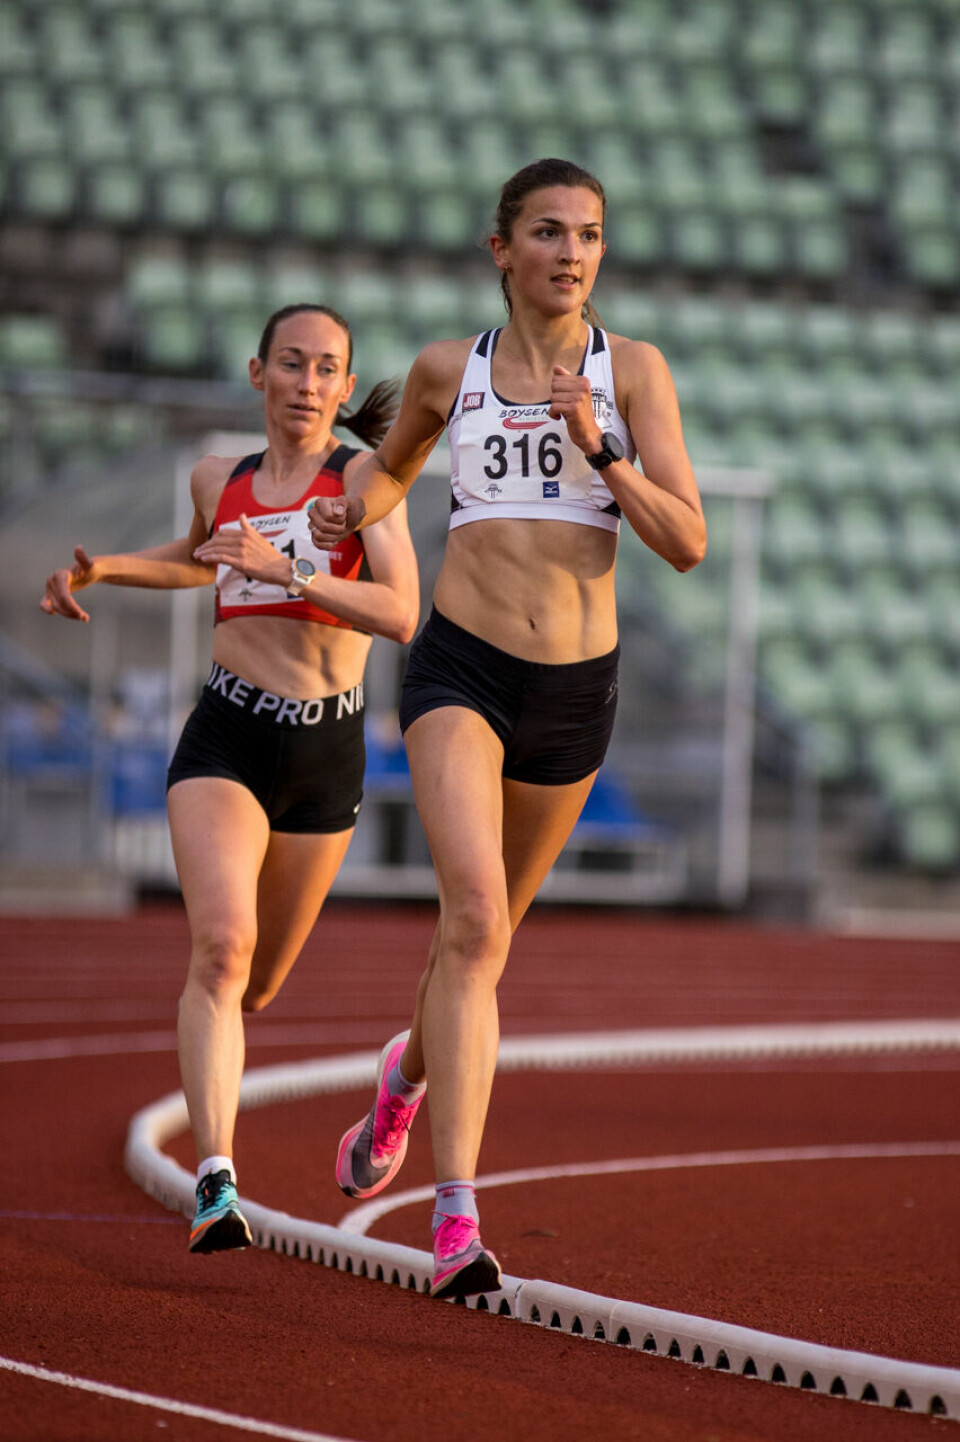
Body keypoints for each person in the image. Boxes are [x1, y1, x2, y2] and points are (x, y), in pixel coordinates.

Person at [309, 158, 706, 1299]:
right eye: (547, 231)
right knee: (473, 917)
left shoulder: (633, 373)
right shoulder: (450, 369)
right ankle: (453, 1214)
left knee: (480, 945)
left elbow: (686, 541)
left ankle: (403, 1073)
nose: (571, 252)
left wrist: (604, 448)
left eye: (589, 234)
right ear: (502, 250)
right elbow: (388, 478)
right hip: (462, 668)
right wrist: (353, 505)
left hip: (576, 692)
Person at [41, 304, 420, 1254]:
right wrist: (106, 571)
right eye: (290, 364)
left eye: (326, 368)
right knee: (219, 951)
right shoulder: (225, 478)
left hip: (324, 753)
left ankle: (334, 1073)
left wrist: (290, 571)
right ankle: (217, 1181)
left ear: (343, 384)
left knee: (259, 987)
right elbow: (199, 558)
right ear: (259, 374)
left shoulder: (366, 482)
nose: (306, 383)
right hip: (228, 736)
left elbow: (402, 611)